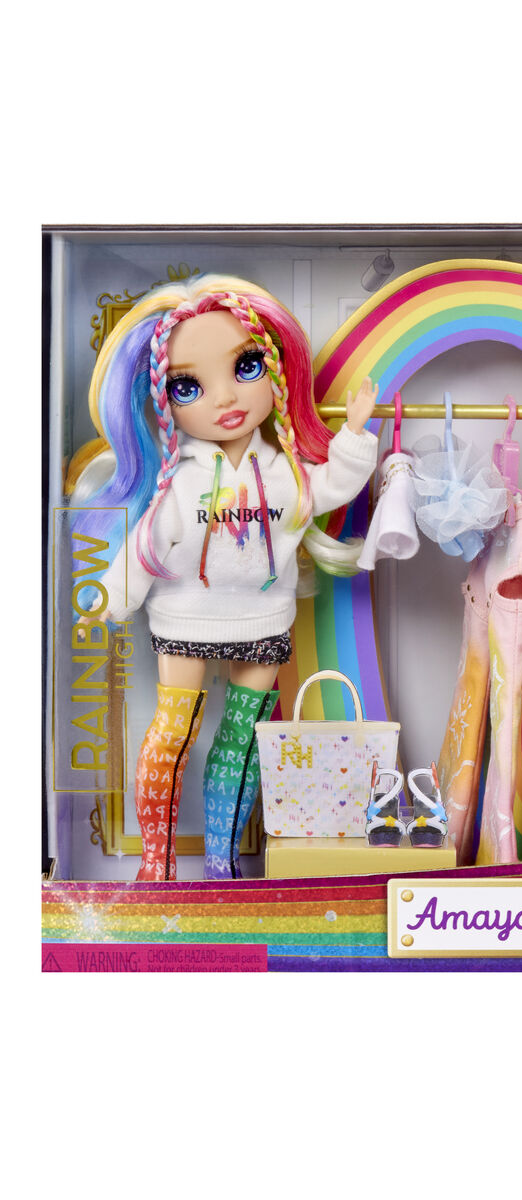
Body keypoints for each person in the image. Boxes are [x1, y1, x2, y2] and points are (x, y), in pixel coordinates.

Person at [75, 275, 379, 880]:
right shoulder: (179, 481)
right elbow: (146, 545)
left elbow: (330, 486)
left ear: (277, 369)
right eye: (188, 386)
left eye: (246, 367)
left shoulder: (285, 472)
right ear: (163, 400)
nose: (224, 400)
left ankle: (222, 864)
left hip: (263, 620)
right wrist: (113, 597)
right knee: (173, 735)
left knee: (241, 744)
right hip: (184, 618)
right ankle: (157, 868)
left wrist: (352, 436)